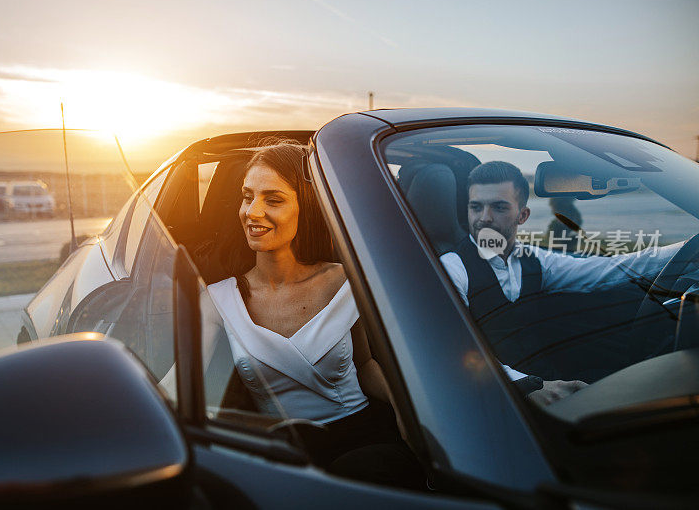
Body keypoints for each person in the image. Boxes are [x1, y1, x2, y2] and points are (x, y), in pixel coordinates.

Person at [202, 141, 426, 489]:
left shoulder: (346, 280)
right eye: (248, 197)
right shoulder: (218, 300)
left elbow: (365, 365)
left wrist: (405, 412)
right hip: (287, 454)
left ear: (304, 207)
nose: (253, 212)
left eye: (273, 200)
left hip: (364, 438)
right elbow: (175, 390)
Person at [440, 161, 681, 405]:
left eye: (499, 207)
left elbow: (611, 269)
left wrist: (686, 249)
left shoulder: (534, 260)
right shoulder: (452, 267)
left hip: (551, 386)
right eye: (476, 207)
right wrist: (525, 385)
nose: (484, 218)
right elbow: (454, 346)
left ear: (522, 215)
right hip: (498, 399)